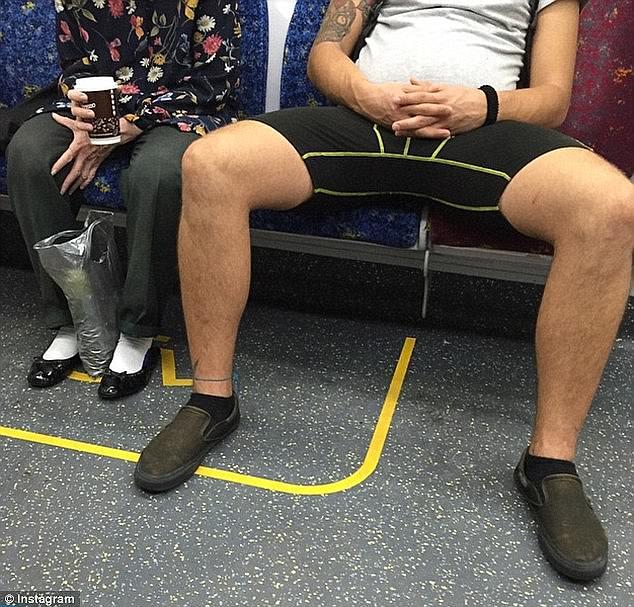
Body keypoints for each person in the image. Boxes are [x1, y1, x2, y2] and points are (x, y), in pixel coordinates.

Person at [135, 0, 634, 581]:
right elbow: (326, 56)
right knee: (211, 163)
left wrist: (483, 104)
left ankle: (549, 462)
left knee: (612, 209)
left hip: (482, 129)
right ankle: (211, 400)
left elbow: (552, 97)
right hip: (368, 120)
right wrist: (368, 95)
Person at [7, 0, 240, 399]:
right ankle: (74, 319)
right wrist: (87, 113)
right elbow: (75, 65)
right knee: (29, 154)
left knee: (157, 173)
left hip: (182, 110)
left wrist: (134, 123)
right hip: (102, 110)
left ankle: (137, 331)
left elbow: (216, 81)